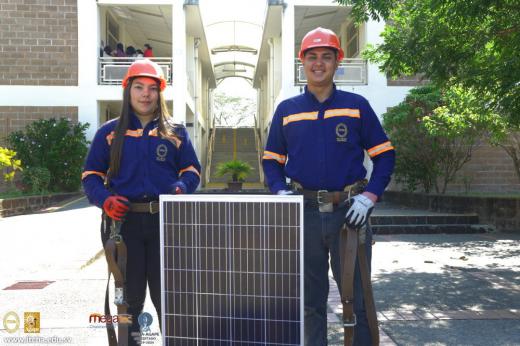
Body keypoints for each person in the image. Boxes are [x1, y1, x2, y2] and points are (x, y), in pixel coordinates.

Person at [262, 27, 395, 345]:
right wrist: (280, 191)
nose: (318, 63)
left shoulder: (356, 106)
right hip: (304, 214)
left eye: (326, 56)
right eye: (312, 57)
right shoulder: (288, 111)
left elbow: (385, 156)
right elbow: (271, 161)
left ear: (338, 61)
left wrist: (369, 196)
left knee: (358, 299)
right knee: (309, 303)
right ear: (302, 62)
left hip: (350, 215)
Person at [82, 59, 201, 345]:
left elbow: (192, 170)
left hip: (166, 223)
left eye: (152, 88)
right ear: (128, 91)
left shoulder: (176, 131)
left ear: (160, 93)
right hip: (124, 226)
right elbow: (90, 176)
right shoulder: (109, 132)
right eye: (139, 87)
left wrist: (182, 186)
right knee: (129, 302)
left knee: (170, 299)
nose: (145, 94)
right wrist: (105, 200)